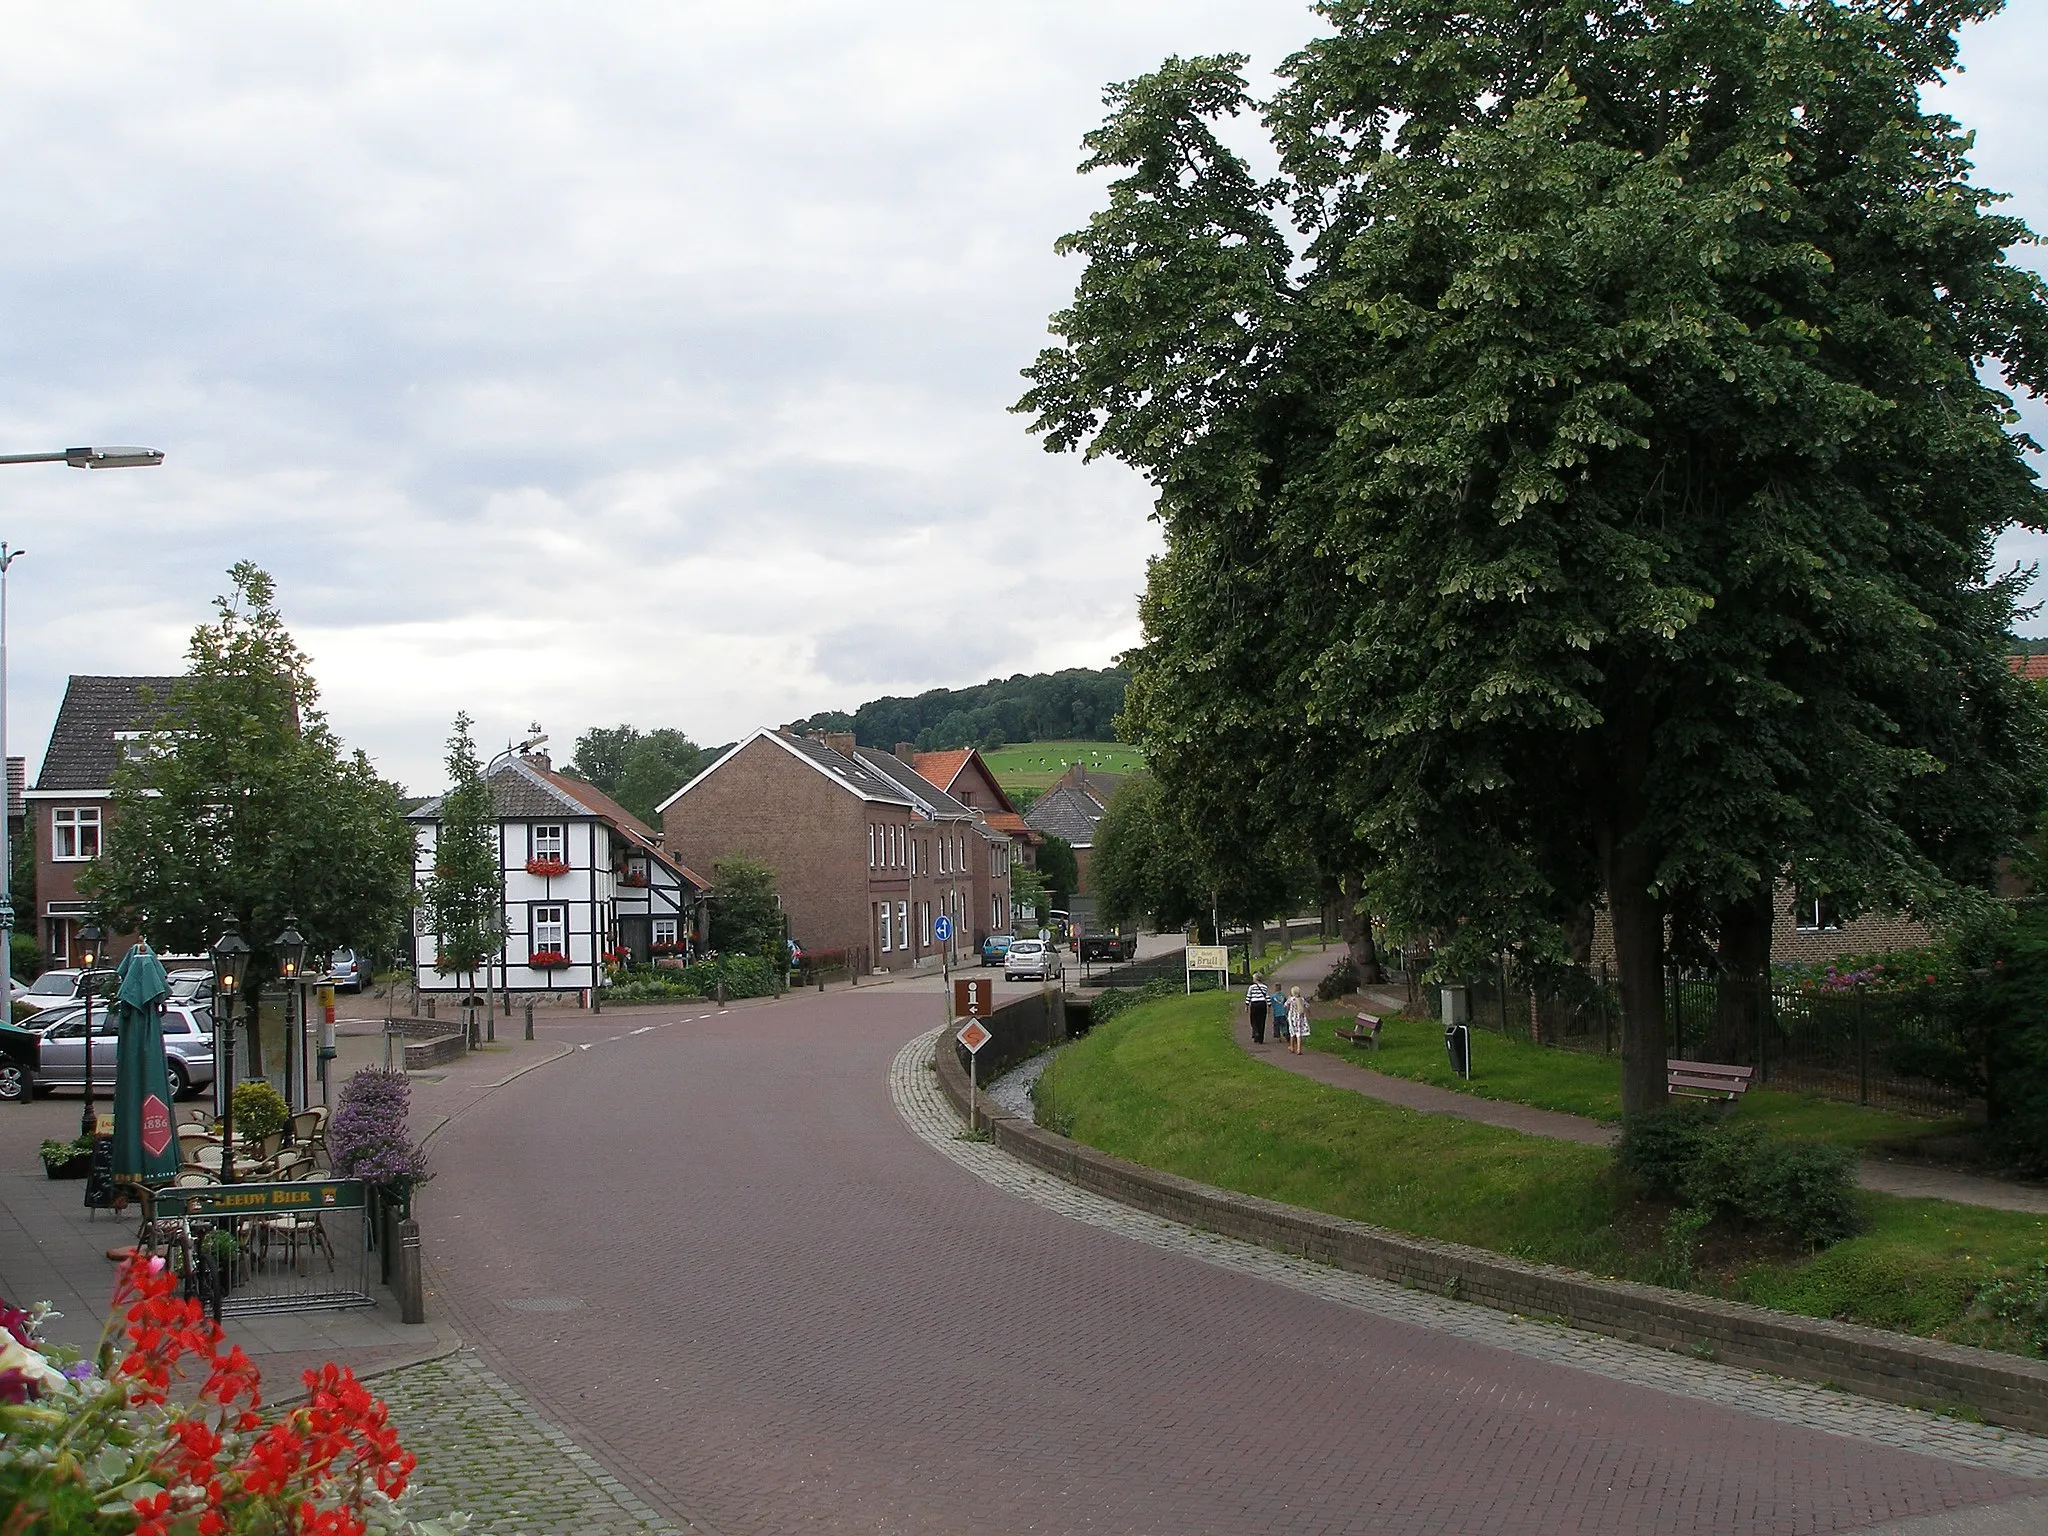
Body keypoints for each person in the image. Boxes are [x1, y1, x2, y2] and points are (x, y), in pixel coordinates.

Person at [1285, 985, 1309, 1054]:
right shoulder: (1302, 999)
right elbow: (1307, 1005)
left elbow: (1285, 1005)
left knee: (1292, 1032)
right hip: (1300, 1018)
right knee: (1299, 1034)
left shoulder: (1291, 999)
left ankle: (1292, 1047)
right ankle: (1299, 1049)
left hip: (1292, 1018)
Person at [1245, 977, 1270, 1044]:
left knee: (1253, 1020)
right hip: (1262, 1004)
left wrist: (1247, 1005)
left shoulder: (1251, 987)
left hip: (1254, 1004)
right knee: (1262, 1021)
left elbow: (1248, 996)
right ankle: (1261, 1038)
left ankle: (1256, 1032)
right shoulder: (1264, 987)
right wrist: (1269, 1006)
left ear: (1255, 979)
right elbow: (1267, 996)